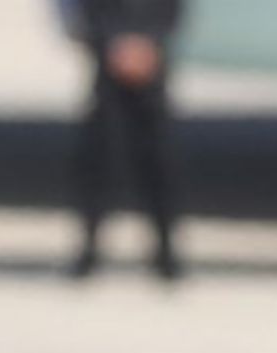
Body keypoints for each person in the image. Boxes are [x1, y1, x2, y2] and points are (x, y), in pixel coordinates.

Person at [66, 0, 185, 281]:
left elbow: (173, 10)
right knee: (100, 160)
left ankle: (165, 252)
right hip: (109, 63)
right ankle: (89, 248)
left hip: (151, 63)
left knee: (157, 163)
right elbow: (87, 11)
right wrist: (112, 43)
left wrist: (150, 42)